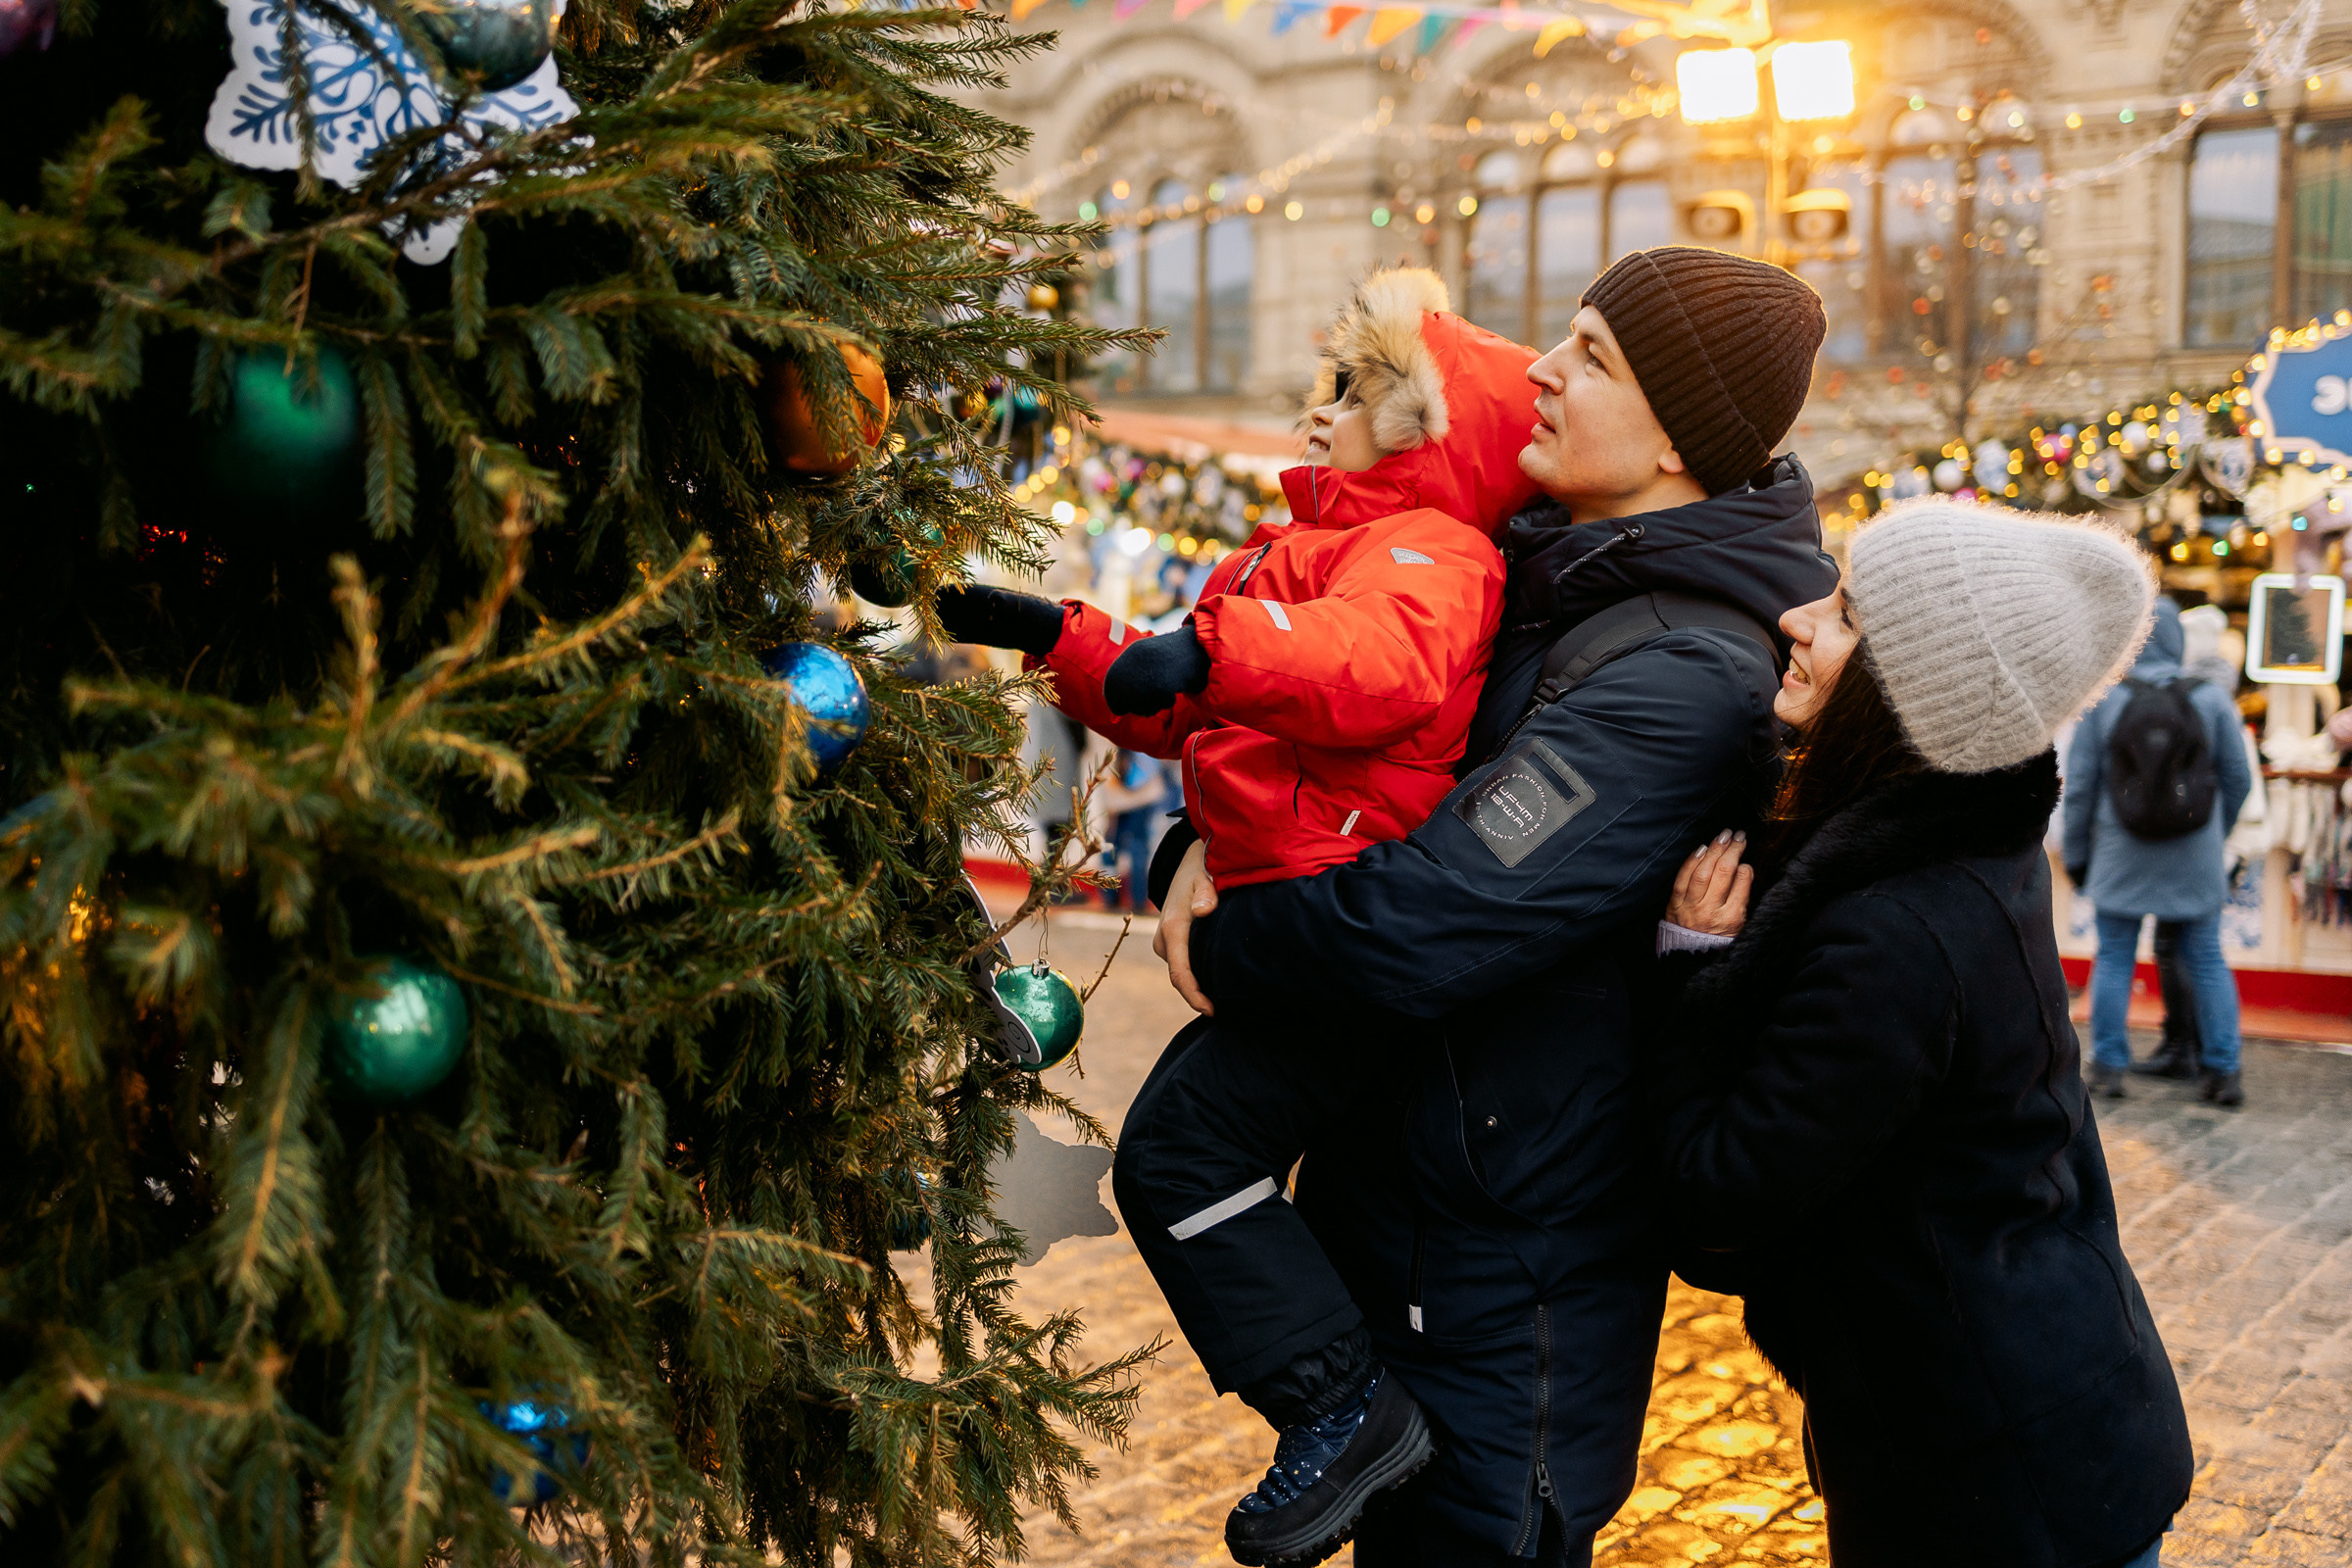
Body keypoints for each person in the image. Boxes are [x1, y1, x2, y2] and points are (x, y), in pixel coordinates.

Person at [1154, 246, 1837, 1566]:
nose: (1540, 369)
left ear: (1675, 439)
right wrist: (1202, 840)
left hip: (1508, 1293)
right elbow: (1365, 766)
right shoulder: (1543, 576)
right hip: (1416, 1228)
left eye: (1593, 355)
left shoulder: (1683, 673)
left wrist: (1228, 937)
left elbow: (1429, 918)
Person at [938, 267, 1544, 1565]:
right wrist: (1062, 633)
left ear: (1423, 428)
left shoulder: (1433, 555)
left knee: (1179, 1157)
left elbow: (1367, 672)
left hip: (1335, 921)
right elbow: (1179, 700)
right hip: (1287, 909)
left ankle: (1342, 1407)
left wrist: (1221, 650)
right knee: (1181, 1160)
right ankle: (1340, 1402)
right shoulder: (1298, 554)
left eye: (1350, 392)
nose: (1316, 411)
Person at [1651, 499, 2191, 1568]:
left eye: (1846, 612)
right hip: (2051, 1423)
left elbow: (1719, 1192)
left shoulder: (1894, 928)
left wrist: (1692, 972)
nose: (1799, 620)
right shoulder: (1958, 851)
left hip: (1993, 1483)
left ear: (1909, 695)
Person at [2064, 599, 2253, 1105]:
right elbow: (2239, 778)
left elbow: (2079, 786)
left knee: (2115, 956)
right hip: (2195, 854)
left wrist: (2078, 856)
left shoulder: (2105, 699)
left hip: (2121, 853)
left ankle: (2106, 1067)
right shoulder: (2212, 698)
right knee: (2208, 957)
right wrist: (2215, 832)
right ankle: (2223, 1071)